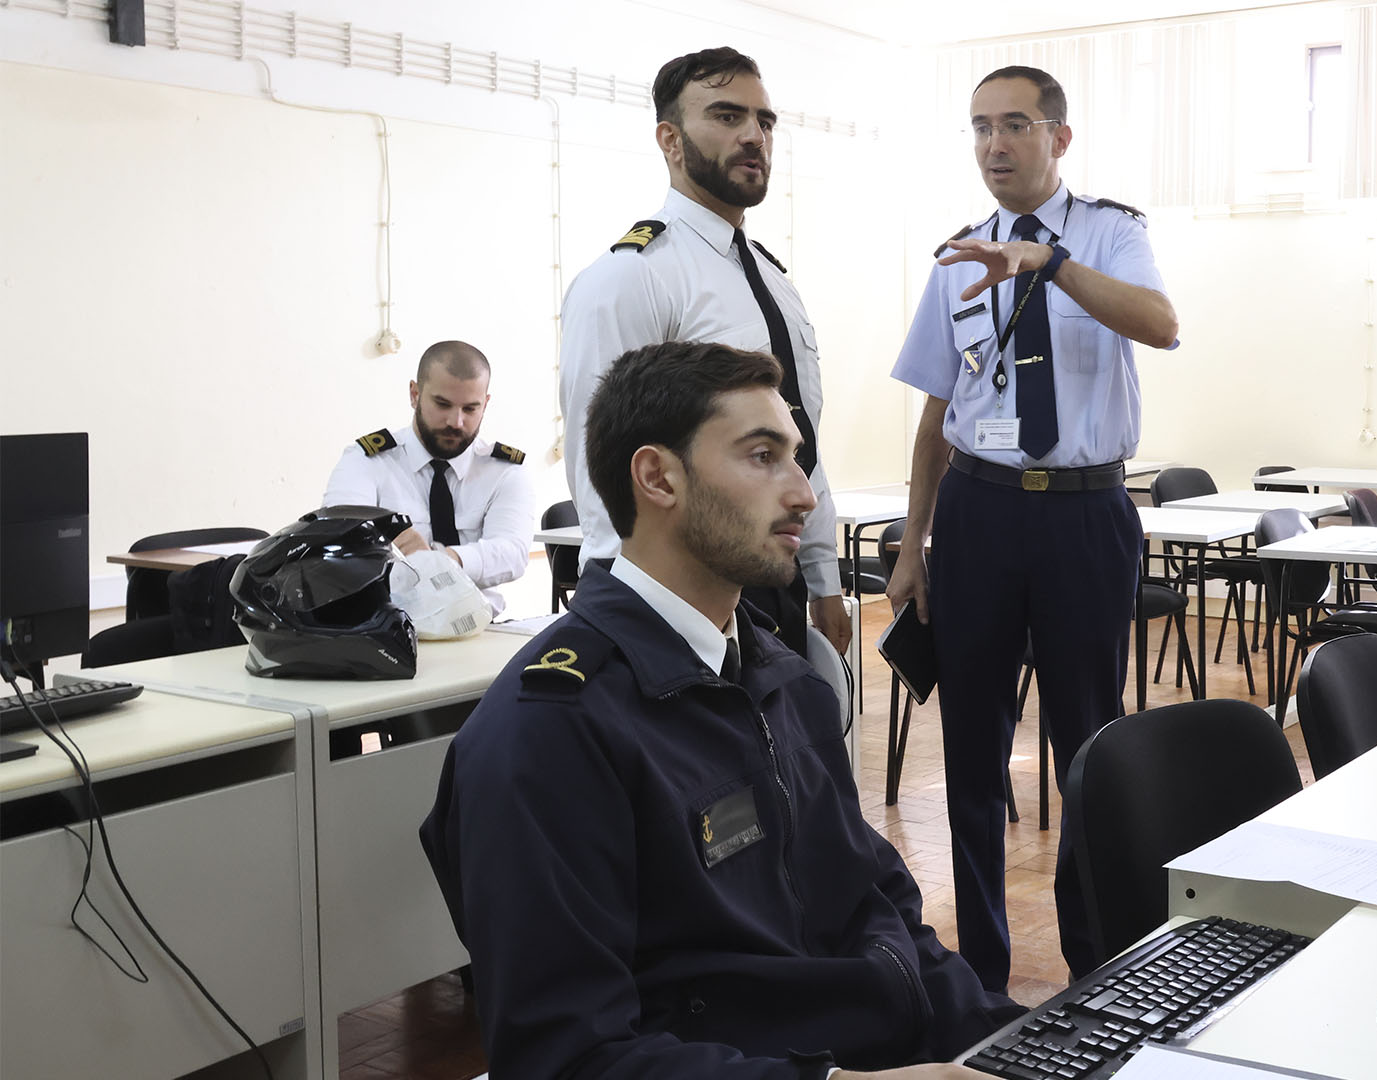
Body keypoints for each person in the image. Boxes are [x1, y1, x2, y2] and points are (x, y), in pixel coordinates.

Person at [420, 340, 1018, 1078]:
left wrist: (1014, 1043)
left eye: (797, 459)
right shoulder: (549, 733)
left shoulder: (786, 680)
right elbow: (567, 1058)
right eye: (763, 456)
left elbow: (880, 910)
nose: (804, 494)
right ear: (657, 477)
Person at [886, 66, 1179, 991]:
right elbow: (938, 410)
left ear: (1059, 136)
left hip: (1085, 512)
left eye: (1014, 125)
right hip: (980, 511)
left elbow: (1160, 324)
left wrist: (1047, 264)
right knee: (973, 745)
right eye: (980, 127)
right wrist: (913, 542)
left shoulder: (1110, 233)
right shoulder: (958, 258)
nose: (994, 144)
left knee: (1088, 739)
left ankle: (1094, 959)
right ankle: (982, 970)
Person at [558, 46, 850, 657]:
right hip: (684, 590)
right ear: (670, 140)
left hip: (777, 570)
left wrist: (822, 575)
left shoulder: (773, 279)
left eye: (764, 121)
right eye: (726, 116)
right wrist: (628, 615)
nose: (753, 136)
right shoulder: (633, 276)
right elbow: (602, 462)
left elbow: (800, 441)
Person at [322, 340, 533, 617]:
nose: (456, 422)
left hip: (482, 626)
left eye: (470, 409)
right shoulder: (365, 462)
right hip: (387, 625)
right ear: (415, 394)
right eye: (443, 404)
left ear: (486, 404)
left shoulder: (504, 471)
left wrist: (441, 561)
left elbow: (512, 554)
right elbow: (343, 544)